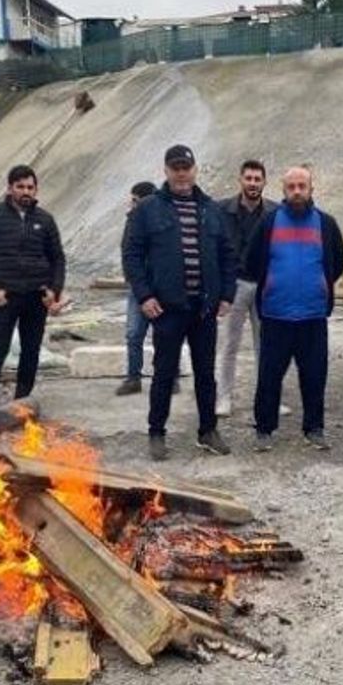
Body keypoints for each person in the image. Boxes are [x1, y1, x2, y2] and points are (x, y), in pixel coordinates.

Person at [121, 145, 237, 461]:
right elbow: (131, 256)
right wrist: (144, 295)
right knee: (164, 373)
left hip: (204, 310)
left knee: (205, 373)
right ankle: (156, 432)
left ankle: (208, 430)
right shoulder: (147, 209)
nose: (182, 172)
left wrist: (226, 295)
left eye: (186, 166)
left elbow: (228, 255)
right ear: (166, 171)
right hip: (167, 310)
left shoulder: (211, 209)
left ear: (195, 169)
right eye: (176, 167)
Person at [242, 167, 343, 452]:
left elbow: (337, 263)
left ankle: (314, 429)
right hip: (276, 315)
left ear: (312, 188)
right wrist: (273, 283)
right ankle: (264, 429)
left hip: (313, 316)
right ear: (283, 189)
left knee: (314, 376)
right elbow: (251, 262)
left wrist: (320, 285)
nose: (297, 191)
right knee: (269, 376)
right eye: (292, 186)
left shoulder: (326, 224)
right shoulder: (269, 222)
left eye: (302, 185)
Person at [0, 165, 67, 405]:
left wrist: (53, 291)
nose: (26, 191)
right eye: (20, 186)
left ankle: (22, 401)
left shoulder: (45, 219)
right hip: (5, 296)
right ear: (10, 188)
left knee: (31, 350)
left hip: (36, 297)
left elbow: (57, 258)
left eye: (30, 187)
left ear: (36, 190)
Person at [215, 161, 279, 417]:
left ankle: (267, 399)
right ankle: (224, 397)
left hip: (265, 286)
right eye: (249, 178)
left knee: (265, 345)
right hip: (235, 285)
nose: (253, 183)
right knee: (230, 344)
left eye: (257, 179)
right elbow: (215, 248)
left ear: (264, 182)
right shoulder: (221, 210)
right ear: (240, 180)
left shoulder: (275, 211)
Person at [116, 181, 165, 396]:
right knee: (134, 334)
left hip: (162, 289)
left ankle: (168, 377)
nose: (132, 205)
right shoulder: (131, 222)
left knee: (165, 335)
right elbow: (128, 255)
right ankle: (133, 377)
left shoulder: (163, 222)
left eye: (136, 201)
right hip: (138, 289)